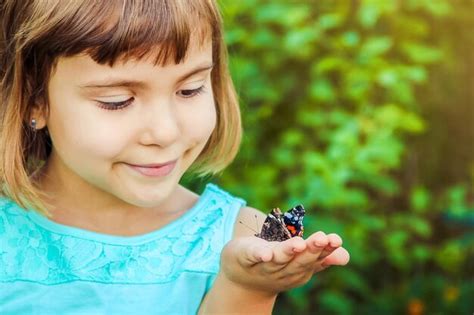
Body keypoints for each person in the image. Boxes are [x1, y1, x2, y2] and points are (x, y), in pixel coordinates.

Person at [0, 0, 350, 314]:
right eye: (118, 101)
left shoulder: (242, 237)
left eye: (190, 89)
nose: (165, 132)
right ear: (34, 98)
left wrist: (248, 288)